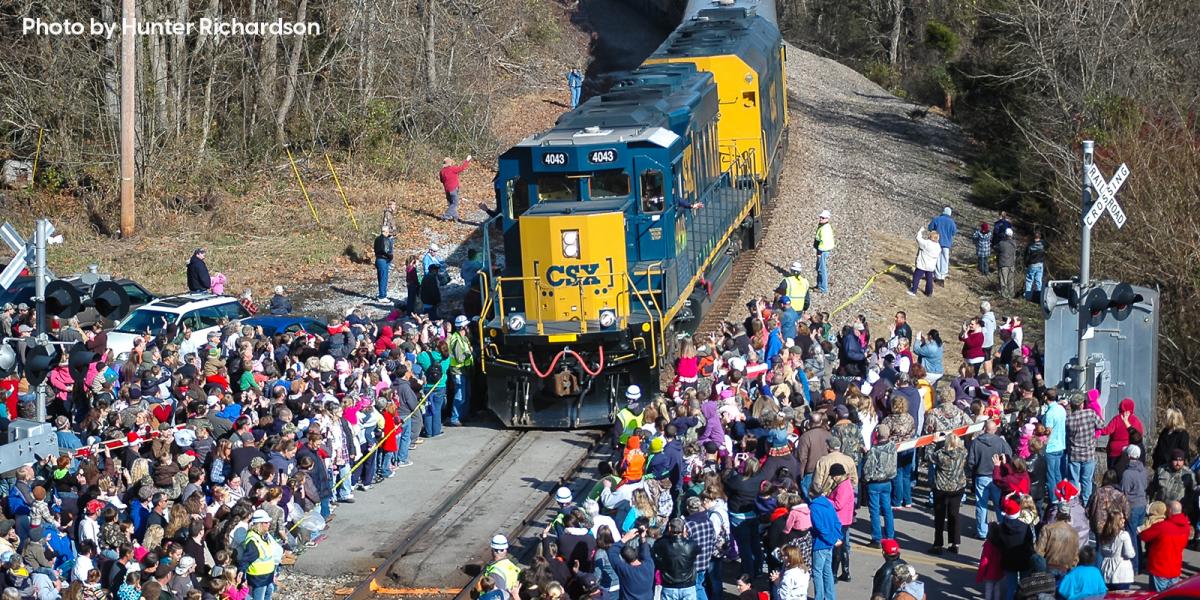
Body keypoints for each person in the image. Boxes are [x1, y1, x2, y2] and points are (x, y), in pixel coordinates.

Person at [966, 419, 1012, 538]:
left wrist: (975, 470)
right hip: (997, 477)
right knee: (999, 505)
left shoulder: (976, 442)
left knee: (981, 505)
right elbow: (1009, 455)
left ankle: (982, 532)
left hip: (981, 476)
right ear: (995, 429)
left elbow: (971, 461)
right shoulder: (1000, 442)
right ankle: (1002, 529)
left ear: (984, 428)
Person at [1140, 500, 1191, 591]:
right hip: (1175, 569)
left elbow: (1144, 536)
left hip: (1159, 568)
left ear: (1170, 510)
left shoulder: (1162, 526)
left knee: (1157, 596)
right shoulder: (1186, 527)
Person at [930, 432, 967, 554]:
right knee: (954, 515)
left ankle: (938, 544)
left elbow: (929, 456)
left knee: (939, 516)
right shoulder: (962, 453)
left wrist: (934, 442)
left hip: (941, 488)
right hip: (957, 487)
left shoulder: (940, 455)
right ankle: (954, 543)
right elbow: (964, 448)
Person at [1065, 392, 1102, 506]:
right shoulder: (1090, 414)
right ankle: (1086, 504)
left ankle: (1074, 504)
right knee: (1087, 481)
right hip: (1088, 454)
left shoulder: (1068, 419)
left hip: (1074, 454)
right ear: (1081, 404)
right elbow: (1101, 425)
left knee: (1074, 480)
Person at [863, 423, 896, 547]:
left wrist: (866, 479)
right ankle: (890, 536)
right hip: (887, 482)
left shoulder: (874, 450)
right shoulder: (892, 447)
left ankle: (876, 538)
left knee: (875, 511)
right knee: (887, 510)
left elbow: (868, 468)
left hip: (875, 483)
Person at [238, 509, 282, 600]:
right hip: (259, 578)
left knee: (269, 592)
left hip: (267, 575)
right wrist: (241, 571)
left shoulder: (263, 535)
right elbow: (246, 559)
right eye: (266, 522)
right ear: (260, 524)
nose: (269, 524)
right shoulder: (253, 540)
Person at [809, 483, 841, 600]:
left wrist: (831, 539)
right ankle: (830, 597)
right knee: (827, 571)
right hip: (829, 544)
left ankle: (819, 597)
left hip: (820, 543)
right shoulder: (828, 504)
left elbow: (820, 528)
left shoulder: (813, 507)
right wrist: (836, 537)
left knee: (817, 571)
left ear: (811, 493)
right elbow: (837, 522)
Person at [653, 518, 699, 600]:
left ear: (669, 528)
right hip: (688, 585)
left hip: (669, 585)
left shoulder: (662, 544)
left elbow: (654, 552)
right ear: (684, 528)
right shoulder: (692, 545)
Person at [448, 315, 475, 426]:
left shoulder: (463, 338)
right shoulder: (457, 340)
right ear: (463, 327)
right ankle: (455, 418)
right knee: (460, 396)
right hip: (458, 371)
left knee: (466, 395)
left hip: (465, 371)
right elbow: (459, 358)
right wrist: (469, 353)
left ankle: (463, 416)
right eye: (467, 326)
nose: (468, 328)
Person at [1098, 509, 1135, 591]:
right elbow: (1130, 554)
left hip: (1106, 569)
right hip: (1121, 571)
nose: (1124, 520)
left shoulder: (1103, 535)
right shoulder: (1124, 535)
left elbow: (1102, 552)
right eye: (1121, 518)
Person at [927, 206, 957, 284]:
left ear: (943, 212)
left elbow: (930, 227)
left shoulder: (937, 219)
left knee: (937, 258)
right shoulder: (952, 222)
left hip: (936, 242)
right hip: (946, 243)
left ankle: (937, 276)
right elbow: (954, 232)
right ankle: (942, 277)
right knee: (945, 259)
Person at [909, 227, 940, 297]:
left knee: (916, 277)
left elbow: (918, 239)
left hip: (922, 265)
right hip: (931, 267)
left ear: (930, 237)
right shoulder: (938, 247)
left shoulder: (927, 243)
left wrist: (920, 231)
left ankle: (913, 290)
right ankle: (929, 292)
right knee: (929, 279)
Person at [439, 155, 472, 222]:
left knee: (451, 204)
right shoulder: (452, 169)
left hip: (447, 189)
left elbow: (441, 180)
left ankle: (456, 218)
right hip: (453, 189)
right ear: (450, 163)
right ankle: (446, 215)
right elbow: (462, 168)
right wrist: (467, 160)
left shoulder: (442, 171)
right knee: (455, 203)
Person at [813, 209, 835, 293]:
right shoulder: (824, 226)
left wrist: (819, 252)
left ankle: (823, 288)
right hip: (822, 250)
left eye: (823, 218)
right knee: (819, 268)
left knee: (821, 269)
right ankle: (819, 285)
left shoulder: (825, 228)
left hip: (822, 251)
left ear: (827, 219)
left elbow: (823, 242)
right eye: (820, 217)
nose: (820, 219)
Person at [374, 226, 395, 301]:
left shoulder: (377, 239)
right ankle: (382, 296)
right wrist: (390, 256)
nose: (388, 233)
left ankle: (381, 294)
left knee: (380, 278)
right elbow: (386, 251)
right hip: (383, 260)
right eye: (388, 232)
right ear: (386, 232)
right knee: (383, 278)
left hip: (378, 259)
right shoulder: (385, 240)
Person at [1023, 230, 1045, 301]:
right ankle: (1039, 297)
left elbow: (1026, 257)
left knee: (1029, 280)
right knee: (1038, 281)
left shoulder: (1030, 246)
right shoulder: (1043, 245)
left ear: (1033, 237)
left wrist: (1026, 264)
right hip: (1040, 264)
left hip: (1032, 264)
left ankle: (1028, 296)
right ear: (1040, 236)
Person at [996, 228, 1017, 298]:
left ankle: (1005, 296)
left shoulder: (1001, 243)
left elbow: (996, 248)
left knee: (1003, 281)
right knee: (1011, 281)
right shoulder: (1014, 244)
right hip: (1011, 264)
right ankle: (1011, 295)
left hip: (1003, 265)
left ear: (1005, 235)